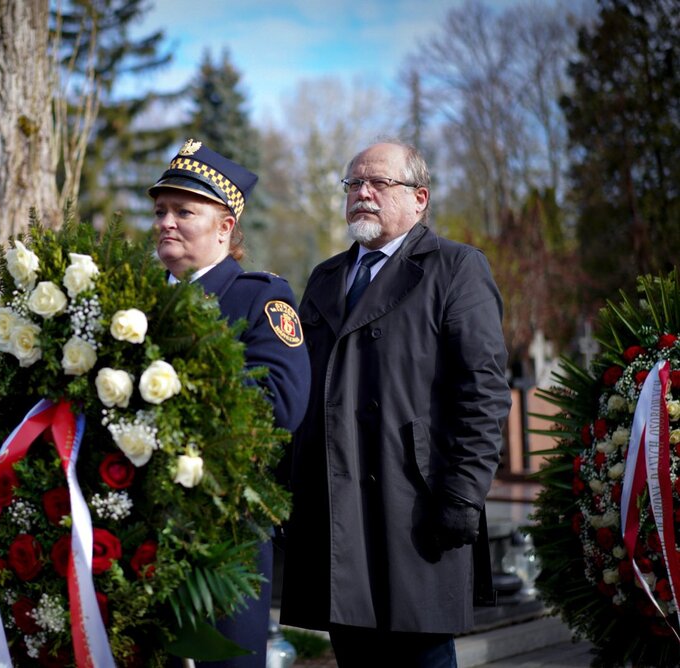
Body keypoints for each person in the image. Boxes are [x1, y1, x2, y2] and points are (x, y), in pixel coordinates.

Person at [280, 140, 511, 667]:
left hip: (414, 507)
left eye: (378, 183)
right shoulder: (325, 277)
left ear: (419, 198)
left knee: (419, 656)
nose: (362, 193)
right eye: (353, 184)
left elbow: (483, 393)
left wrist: (462, 499)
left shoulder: (455, 268)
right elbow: (303, 392)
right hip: (336, 512)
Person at [149, 138, 310, 667]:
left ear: (224, 228)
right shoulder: (138, 304)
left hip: (224, 534)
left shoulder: (260, 297)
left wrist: (176, 384)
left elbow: (281, 404)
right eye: (160, 211)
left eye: (183, 211)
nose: (166, 222)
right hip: (143, 527)